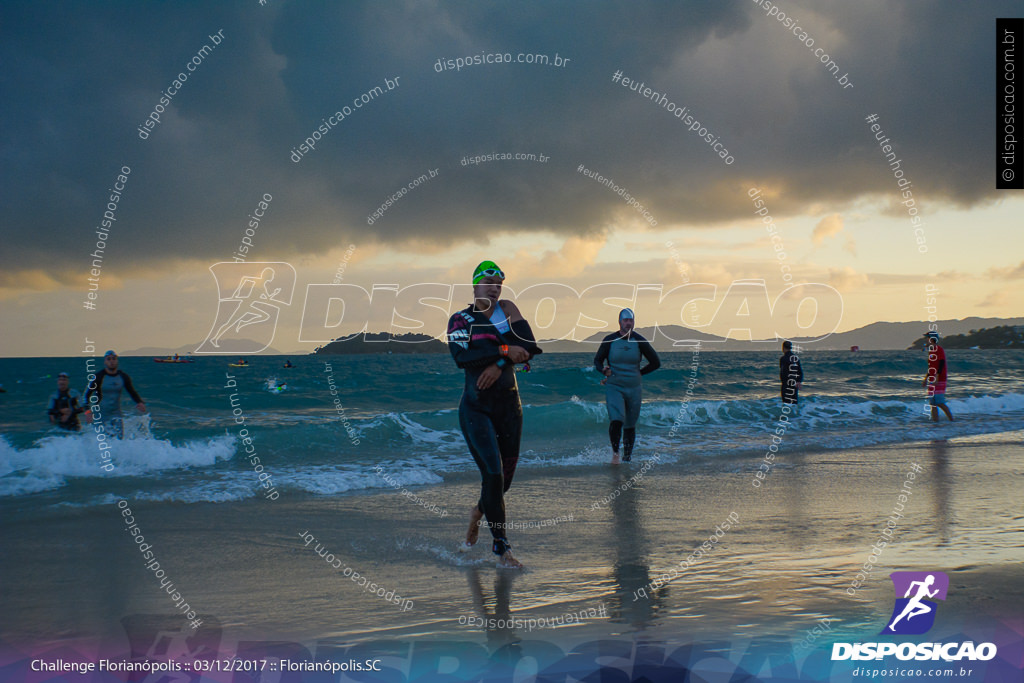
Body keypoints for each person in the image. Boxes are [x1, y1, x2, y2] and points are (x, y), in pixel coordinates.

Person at [447, 261, 541, 569]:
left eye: (499, 282)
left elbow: (528, 346)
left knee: (504, 484)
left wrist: (499, 365)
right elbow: (463, 358)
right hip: (476, 408)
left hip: (510, 408)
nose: (495, 286)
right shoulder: (460, 319)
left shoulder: (508, 310)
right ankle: (501, 548)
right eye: (488, 281)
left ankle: (477, 512)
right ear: (474, 285)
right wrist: (503, 353)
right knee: (493, 474)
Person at [593, 309, 660, 464]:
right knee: (616, 419)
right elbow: (597, 360)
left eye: (631, 320)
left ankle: (627, 457)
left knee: (630, 424)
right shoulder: (609, 340)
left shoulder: (640, 341)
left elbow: (656, 363)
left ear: (634, 322)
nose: (628, 323)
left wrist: (639, 374)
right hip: (614, 385)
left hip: (634, 388)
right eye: (625, 320)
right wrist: (603, 369)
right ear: (620, 322)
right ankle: (616, 455)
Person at [84, 350, 146, 438]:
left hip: (116, 414)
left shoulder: (123, 377)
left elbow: (132, 391)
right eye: (109, 359)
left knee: (119, 439)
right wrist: (88, 412)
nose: (111, 361)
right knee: (102, 440)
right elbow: (86, 396)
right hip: (101, 414)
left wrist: (139, 402)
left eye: (114, 359)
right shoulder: (98, 377)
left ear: (117, 361)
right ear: (105, 362)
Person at [923, 332, 954, 422]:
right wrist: (926, 379)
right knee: (932, 403)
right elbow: (931, 367)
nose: (926, 339)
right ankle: (935, 423)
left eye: (927, 337)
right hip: (932, 378)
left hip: (940, 378)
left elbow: (941, 363)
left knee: (939, 402)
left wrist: (937, 376)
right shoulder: (931, 350)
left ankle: (952, 420)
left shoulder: (938, 349)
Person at [780, 341, 804, 412]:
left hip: (786, 383)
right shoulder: (795, 358)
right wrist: (799, 381)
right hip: (794, 383)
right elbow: (800, 371)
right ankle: (796, 418)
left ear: (783, 348)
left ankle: (788, 418)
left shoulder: (783, 359)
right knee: (794, 402)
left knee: (786, 403)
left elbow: (783, 372)